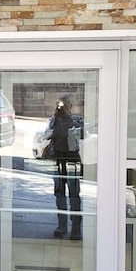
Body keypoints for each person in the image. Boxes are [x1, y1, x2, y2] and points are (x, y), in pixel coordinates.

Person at [47, 95, 83, 240]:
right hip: (58, 159)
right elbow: (48, 135)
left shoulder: (76, 119)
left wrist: (68, 118)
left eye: (64, 105)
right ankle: (62, 225)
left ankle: (75, 227)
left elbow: (81, 134)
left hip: (72, 160)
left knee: (74, 194)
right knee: (59, 193)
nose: (61, 108)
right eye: (59, 105)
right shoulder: (53, 120)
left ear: (70, 107)